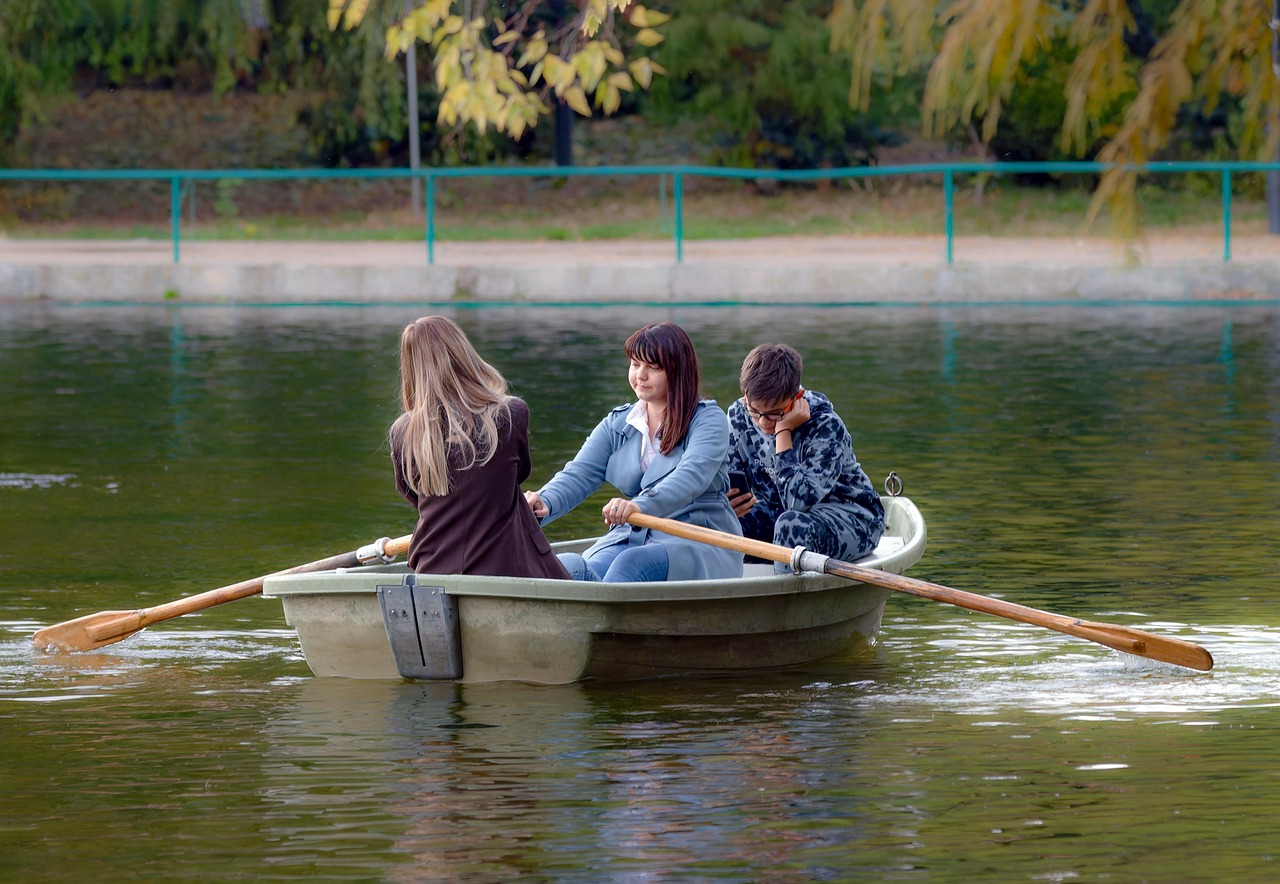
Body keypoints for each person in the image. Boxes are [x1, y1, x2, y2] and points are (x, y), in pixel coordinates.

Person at [525, 321, 743, 583]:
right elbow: (579, 474)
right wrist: (543, 503)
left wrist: (638, 504)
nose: (640, 375)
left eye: (653, 367)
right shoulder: (618, 423)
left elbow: (691, 476)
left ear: (678, 372)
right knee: (565, 565)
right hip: (634, 534)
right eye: (635, 364)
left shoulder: (708, 420)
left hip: (698, 537)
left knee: (630, 564)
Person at [389, 315, 570, 580]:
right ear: (463, 353)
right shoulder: (511, 413)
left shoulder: (403, 432)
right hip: (505, 569)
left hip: (431, 569)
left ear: (410, 366)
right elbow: (518, 474)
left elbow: (414, 495)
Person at [726, 343, 884, 568]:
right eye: (755, 411)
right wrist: (725, 505)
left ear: (797, 397)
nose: (762, 422)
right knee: (721, 524)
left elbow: (796, 502)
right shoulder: (737, 415)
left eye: (774, 414)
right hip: (778, 514)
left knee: (791, 525)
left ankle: (783, 600)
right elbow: (730, 482)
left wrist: (783, 431)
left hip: (852, 519)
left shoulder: (826, 426)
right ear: (745, 396)